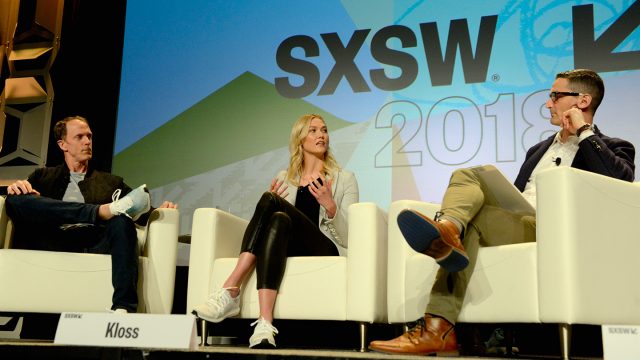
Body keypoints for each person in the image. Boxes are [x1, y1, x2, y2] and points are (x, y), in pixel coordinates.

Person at [368, 69, 635, 355]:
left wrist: (583, 132)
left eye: (556, 96)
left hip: (561, 231)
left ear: (583, 101)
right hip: (522, 224)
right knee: (469, 178)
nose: (548, 103)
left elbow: (619, 182)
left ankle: (438, 328)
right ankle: (449, 229)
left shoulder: (614, 146)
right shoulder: (538, 149)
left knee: (469, 222)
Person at [192, 114, 359, 348]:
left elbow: (351, 236)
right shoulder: (285, 178)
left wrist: (330, 206)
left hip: (325, 248)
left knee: (272, 202)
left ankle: (230, 288)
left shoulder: (344, 179)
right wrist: (274, 207)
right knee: (278, 217)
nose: (321, 135)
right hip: (289, 247)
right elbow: (269, 226)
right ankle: (264, 324)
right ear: (300, 139)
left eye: (324, 130)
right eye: (313, 130)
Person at [4, 115, 178, 314]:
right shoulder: (42, 177)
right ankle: (102, 211)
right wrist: (17, 188)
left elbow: (140, 209)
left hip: (93, 241)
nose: (87, 141)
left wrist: (161, 212)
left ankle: (123, 307)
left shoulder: (111, 183)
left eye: (89, 136)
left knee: (121, 220)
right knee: (16, 199)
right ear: (63, 144)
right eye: (79, 137)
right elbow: (18, 207)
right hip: (53, 239)